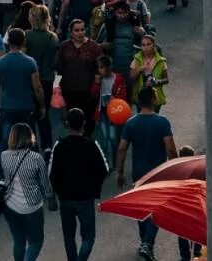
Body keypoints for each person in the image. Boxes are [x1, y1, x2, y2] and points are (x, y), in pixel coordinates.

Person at [112, 89, 176, 261]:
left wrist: (120, 172)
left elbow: (122, 149)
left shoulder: (131, 124)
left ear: (139, 102)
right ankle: (148, 243)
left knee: (142, 207)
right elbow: (170, 146)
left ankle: (144, 242)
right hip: (158, 173)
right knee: (157, 209)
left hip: (138, 174)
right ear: (154, 100)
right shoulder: (162, 122)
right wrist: (175, 166)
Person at [49, 106, 109, 261]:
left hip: (65, 198)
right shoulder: (91, 145)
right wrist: (94, 187)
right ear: (84, 123)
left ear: (67, 124)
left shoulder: (59, 146)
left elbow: (52, 172)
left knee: (69, 237)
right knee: (88, 237)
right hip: (85, 198)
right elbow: (104, 169)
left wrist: (56, 191)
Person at [0, 121, 52, 261]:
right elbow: (45, 183)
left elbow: (3, 177)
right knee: (35, 241)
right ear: (29, 137)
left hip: (10, 205)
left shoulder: (4, 156)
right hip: (32, 207)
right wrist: (50, 198)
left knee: (18, 240)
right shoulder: (36, 158)